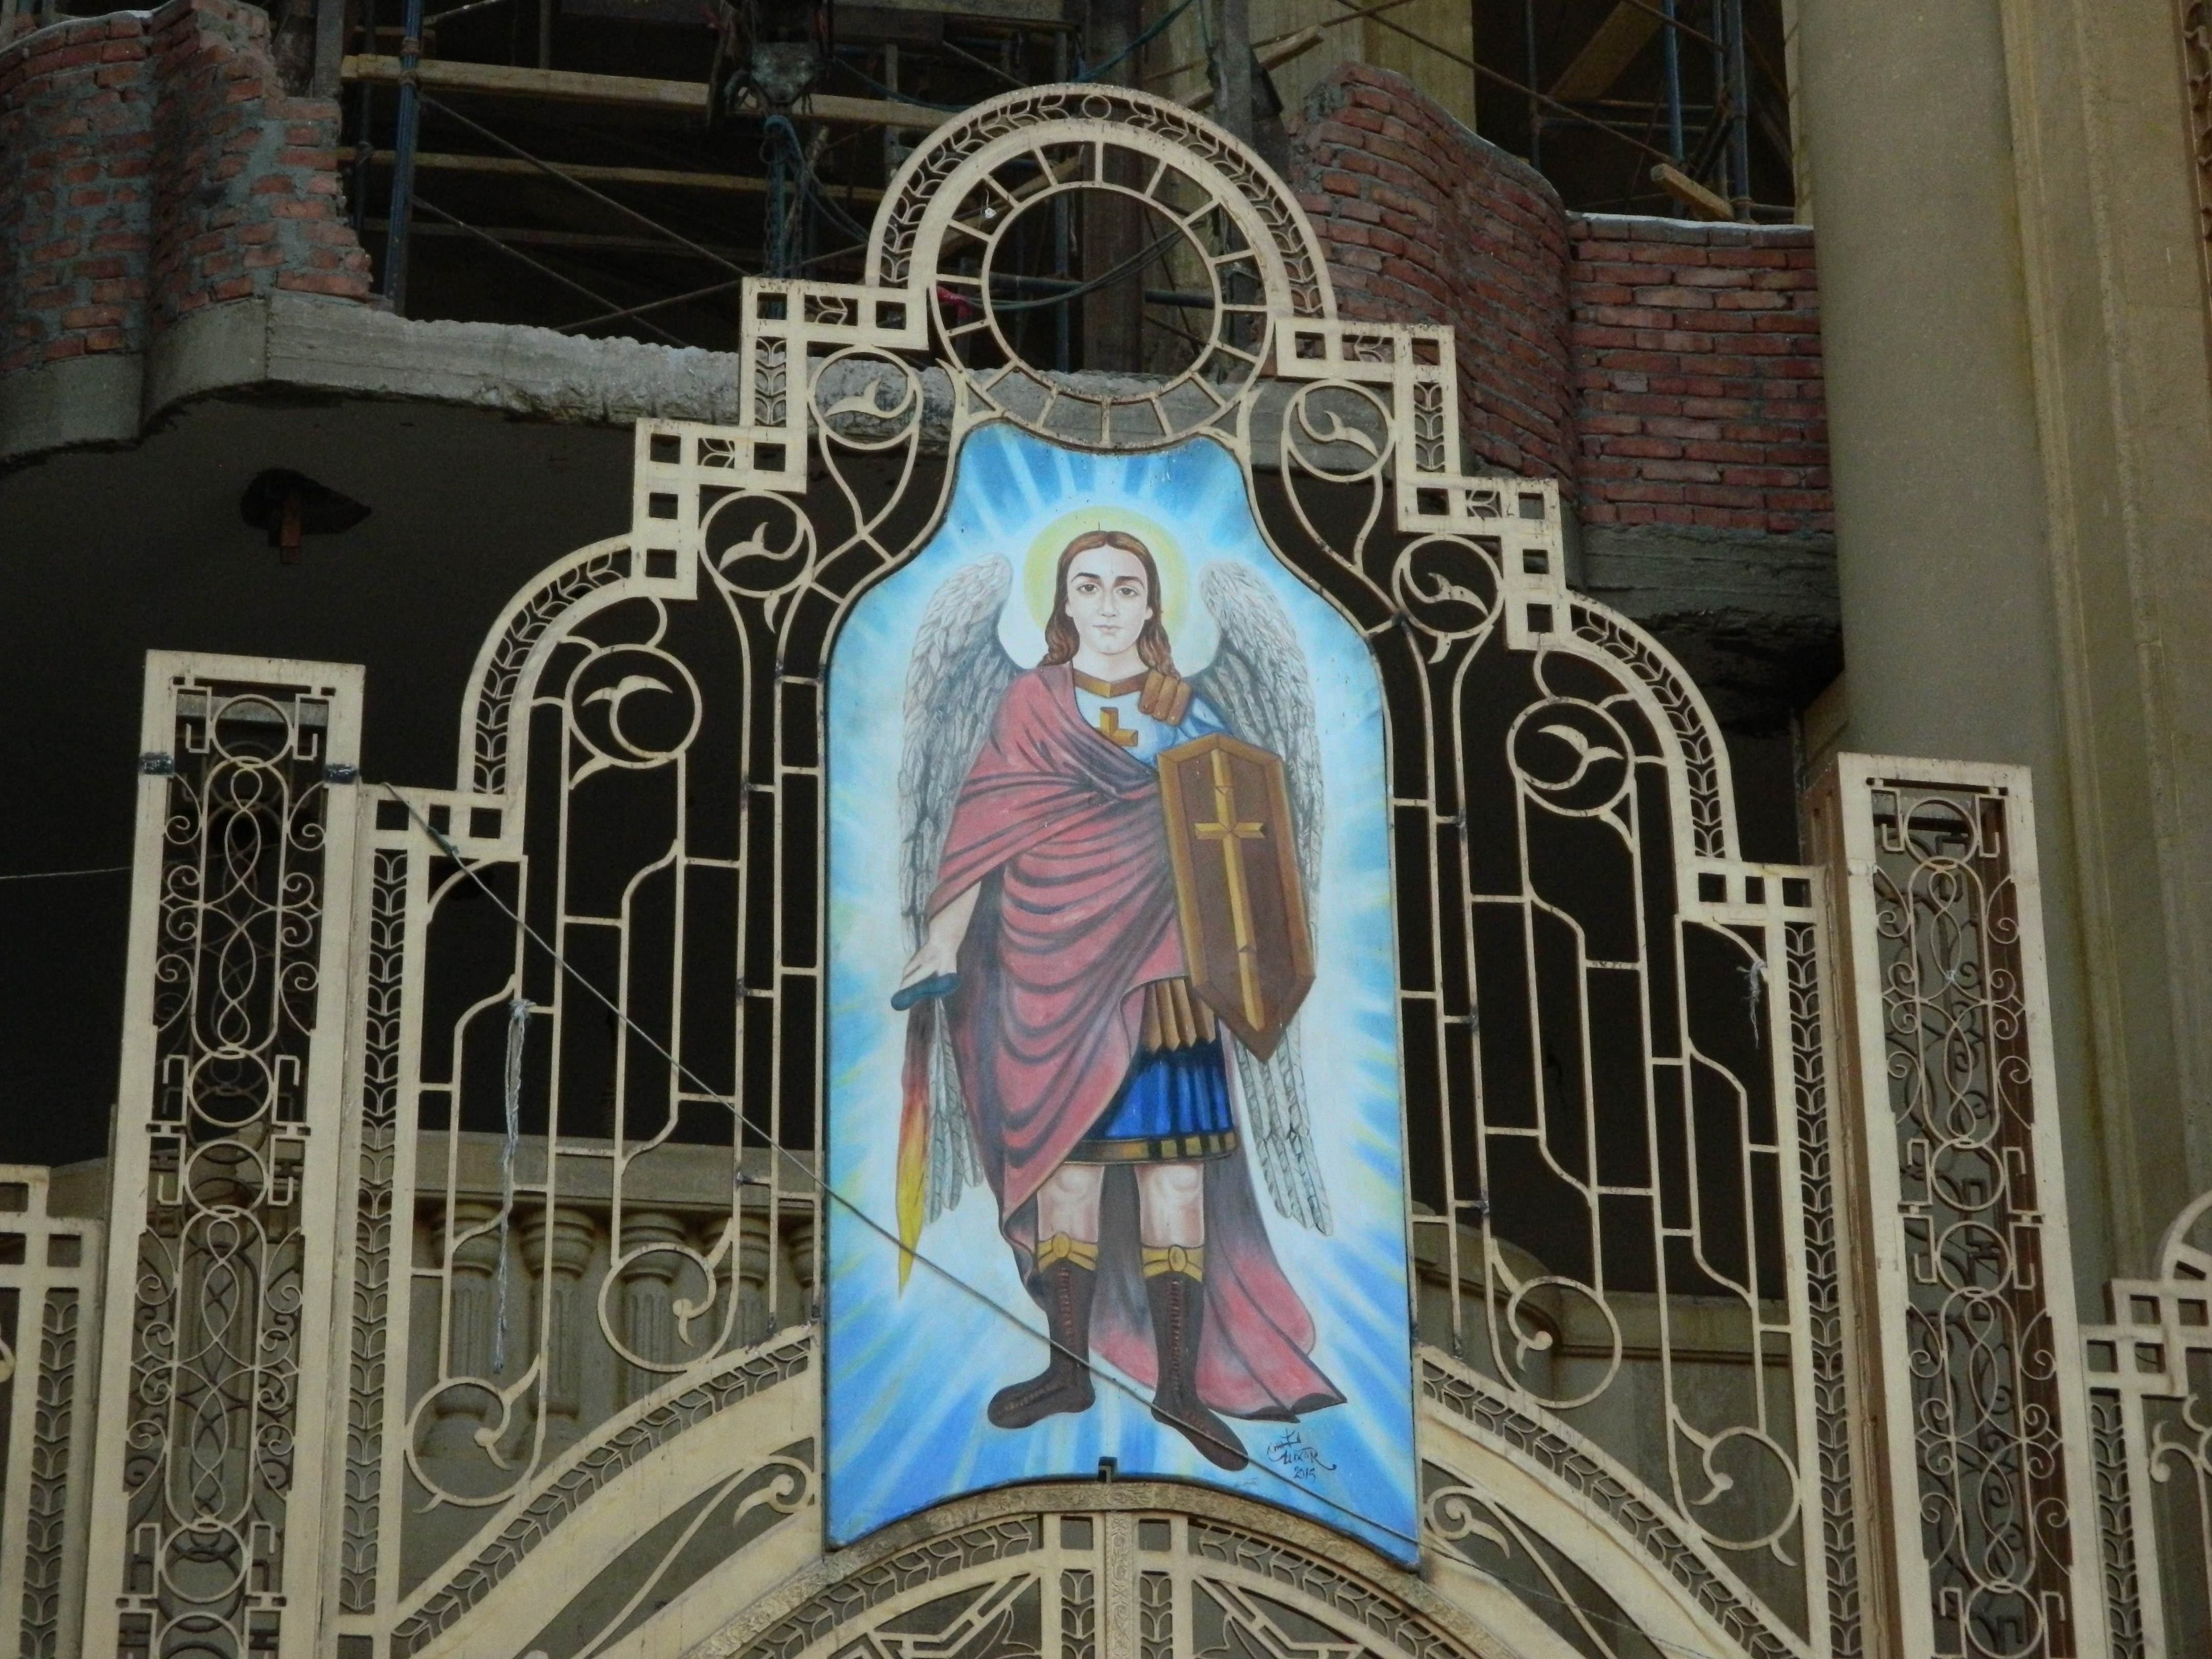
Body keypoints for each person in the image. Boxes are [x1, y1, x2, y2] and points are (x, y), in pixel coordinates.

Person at [895, 529, 1341, 1471]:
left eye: (1126, 588)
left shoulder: (1193, 710)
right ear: (1064, 605)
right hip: (1047, 973)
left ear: (1151, 606)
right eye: (1087, 586)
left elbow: (1239, 836)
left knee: (1176, 1179)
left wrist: (1198, 737)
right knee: (1069, 1175)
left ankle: (1178, 1385)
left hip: (1166, 978)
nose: (1107, 604)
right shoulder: (1029, 702)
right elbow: (985, 823)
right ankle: (1067, 1367)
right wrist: (940, 936)